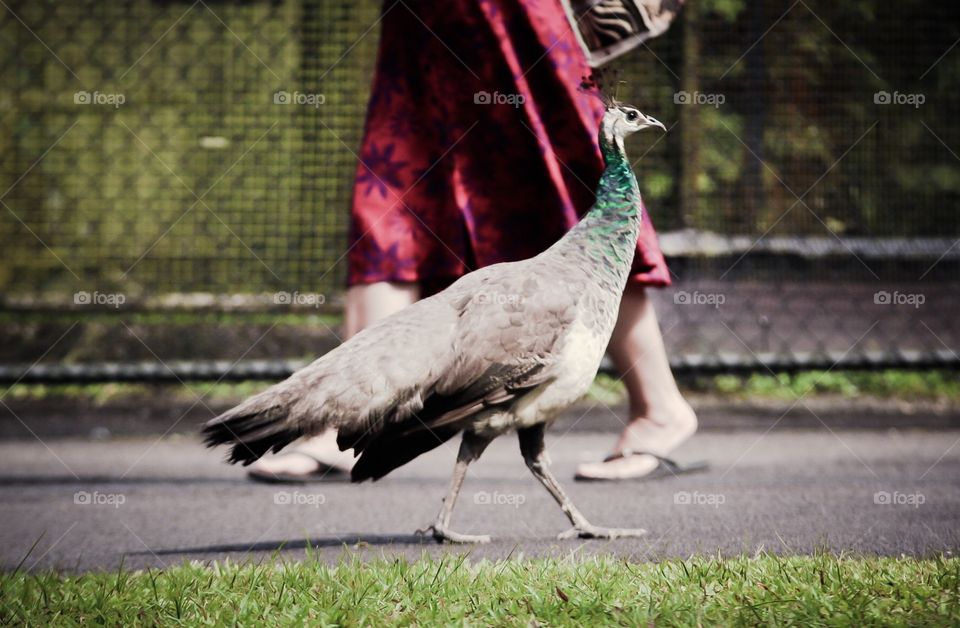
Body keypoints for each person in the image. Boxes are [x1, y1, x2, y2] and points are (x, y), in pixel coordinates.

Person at [249, 0, 697, 483]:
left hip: (517, 17)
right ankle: (344, 418)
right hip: (422, 19)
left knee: (570, 194)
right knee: (391, 207)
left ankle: (658, 408)